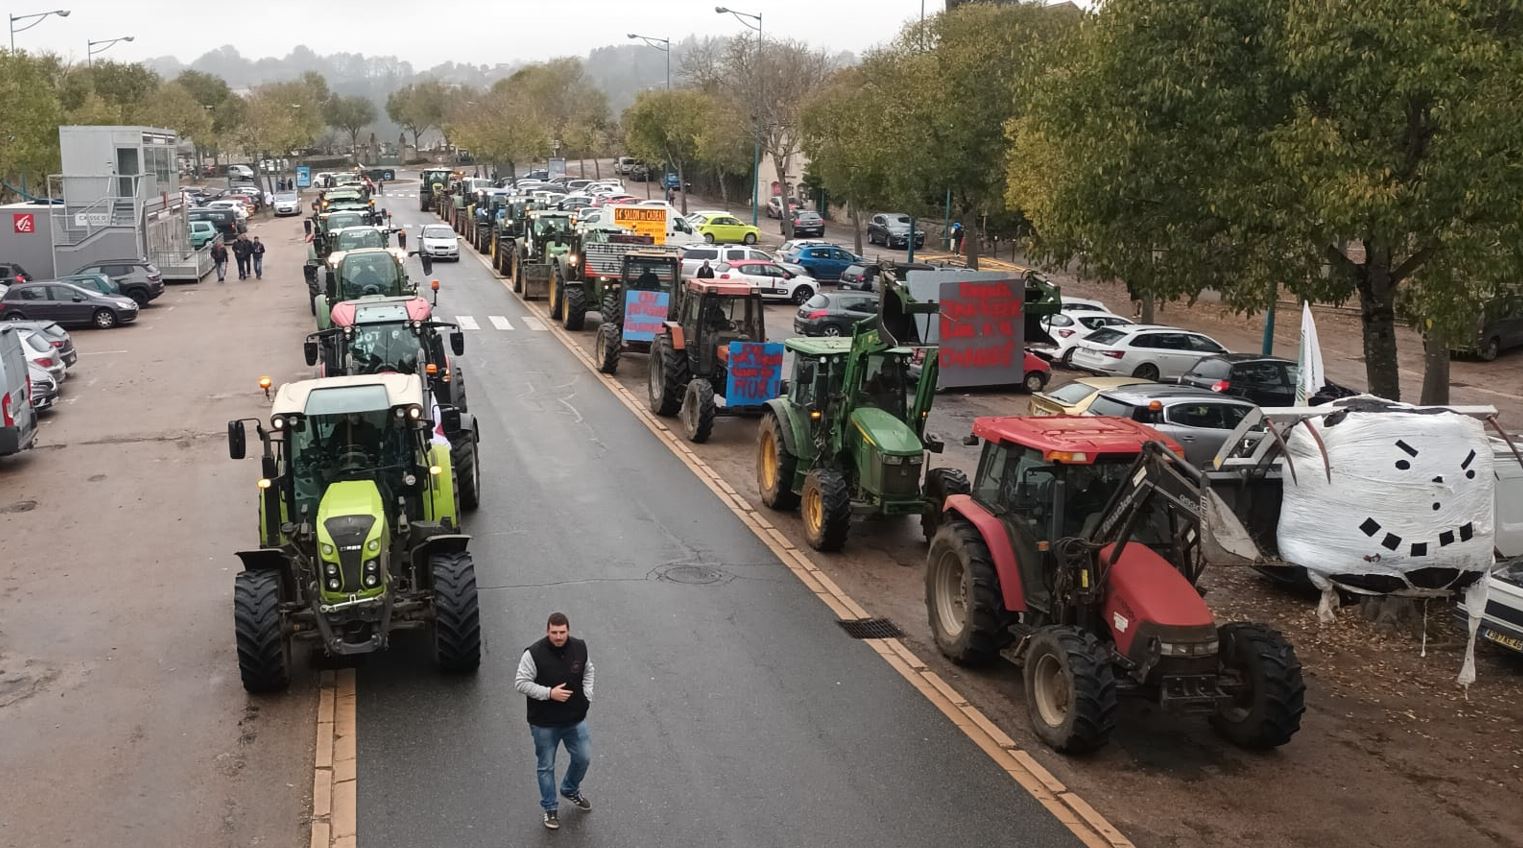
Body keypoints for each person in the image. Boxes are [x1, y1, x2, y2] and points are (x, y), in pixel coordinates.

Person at [515, 612, 594, 831]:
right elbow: (521, 683)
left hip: (574, 720)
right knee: (546, 767)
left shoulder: (579, 647)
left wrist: (587, 694)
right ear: (547, 631)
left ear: (568, 630)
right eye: (554, 632)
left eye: (562, 632)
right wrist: (549, 693)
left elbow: (589, 671)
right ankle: (550, 808)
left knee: (583, 758)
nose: (558, 637)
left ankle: (570, 789)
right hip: (544, 723)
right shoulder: (533, 654)